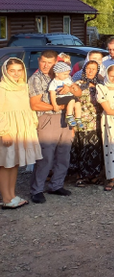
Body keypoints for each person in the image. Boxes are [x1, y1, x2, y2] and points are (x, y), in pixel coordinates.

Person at [29, 50, 79, 204]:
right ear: (39, 61)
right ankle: (36, 189)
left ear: (55, 63)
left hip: (65, 118)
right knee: (46, 156)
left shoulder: (63, 76)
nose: (45, 65)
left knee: (64, 154)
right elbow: (35, 104)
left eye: (49, 62)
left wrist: (71, 89)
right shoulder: (36, 79)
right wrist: (59, 106)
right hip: (48, 118)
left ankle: (56, 185)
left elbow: (78, 92)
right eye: (43, 61)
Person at [0, 58, 41, 209]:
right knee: (5, 164)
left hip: (22, 129)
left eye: (19, 70)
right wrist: (3, 131)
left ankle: (12, 194)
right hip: (8, 130)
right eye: (12, 71)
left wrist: (32, 124)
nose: (16, 74)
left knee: (15, 162)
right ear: (6, 71)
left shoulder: (24, 86)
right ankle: (6, 198)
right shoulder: (2, 88)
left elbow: (28, 108)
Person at [68, 60, 104, 187]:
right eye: (88, 68)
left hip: (96, 121)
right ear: (84, 69)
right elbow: (71, 102)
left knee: (94, 149)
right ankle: (80, 176)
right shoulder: (77, 84)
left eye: (93, 69)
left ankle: (93, 175)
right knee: (81, 148)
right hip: (81, 121)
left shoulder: (100, 84)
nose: (90, 71)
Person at [48, 62, 83, 129]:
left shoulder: (67, 79)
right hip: (60, 98)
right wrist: (55, 105)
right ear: (57, 73)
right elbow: (52, 94)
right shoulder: (54, 82)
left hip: (68, 97)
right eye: (64, 74)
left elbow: (72, 85)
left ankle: (78, 118)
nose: (67, 76)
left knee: (78, 103)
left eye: (67, 74)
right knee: (72, 100)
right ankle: (69, 116)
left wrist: (75, 87)